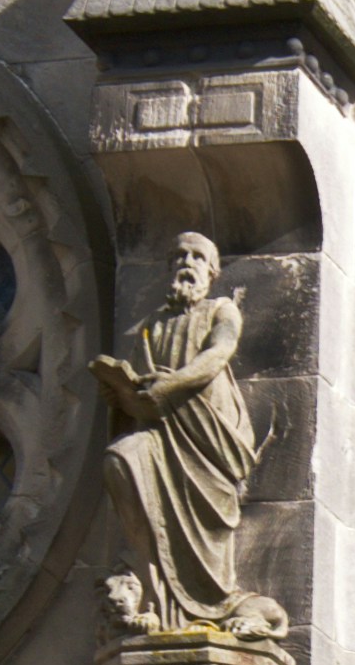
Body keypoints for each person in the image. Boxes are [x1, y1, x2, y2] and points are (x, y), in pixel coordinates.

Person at [98, 230, 265, 628]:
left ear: (212, 270)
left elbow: (220, 352)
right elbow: (140, 386)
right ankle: (153, 586)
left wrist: (171, 384)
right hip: (160, 431)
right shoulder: (151, 326)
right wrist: (120, 396)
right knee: (119, 460)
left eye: (197, 257)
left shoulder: (221, 309)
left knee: (208, 523)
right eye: (179, 256)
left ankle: (213, 598)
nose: (187, 264)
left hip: (208, 435)